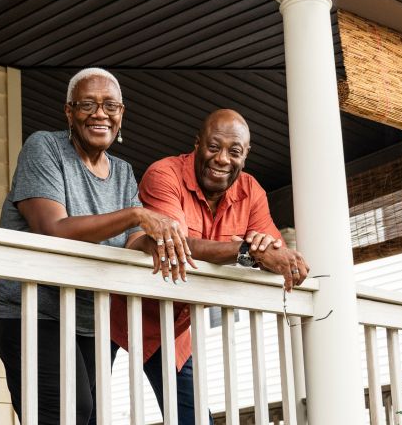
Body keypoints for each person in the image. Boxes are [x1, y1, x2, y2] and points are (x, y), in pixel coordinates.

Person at [0, 68, 192, 425]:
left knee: (86, 417)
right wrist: (137, 214)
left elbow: (133, 242)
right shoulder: (44, 148)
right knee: (67, 411)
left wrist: (165, 240)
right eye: (87, 104)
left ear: (122, 113)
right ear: (69, 112)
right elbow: (53, 230)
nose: (100, 113)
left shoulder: (122, 171)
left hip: (87, 314)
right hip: (25, 306)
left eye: (110, 105)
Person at [108, 109, 310, 424]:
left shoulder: (251, 191)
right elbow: (175, 243)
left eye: (234, 152)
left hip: (171, 327)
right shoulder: (165, 174)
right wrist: (248, 251)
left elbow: (273, 250)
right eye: (213, 147)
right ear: (197, 143)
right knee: (83, 411)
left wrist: (278, 256)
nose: (222, 159)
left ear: (246, 155)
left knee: (194, 419)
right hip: (115, 311)